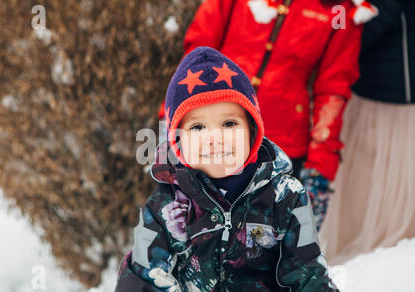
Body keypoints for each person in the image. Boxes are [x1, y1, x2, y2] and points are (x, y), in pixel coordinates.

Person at [114, 47, 344, 292]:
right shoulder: (164, 208)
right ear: (177, 140)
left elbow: (307, 274)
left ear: (252, 130)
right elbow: (142, 280)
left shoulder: (286, 197)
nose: (215, 138)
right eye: (198, 126)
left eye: (229, 123)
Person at [157, 0, 377, 230]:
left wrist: (319, 170)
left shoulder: (339, 10)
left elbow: (333, 88)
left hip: (280, 152)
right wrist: (171, 123)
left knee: (266, 249)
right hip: (210, 136)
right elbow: (195, 57)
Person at [318, 0, 415, 266]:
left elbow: (377, 14)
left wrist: (335, 38)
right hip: (363, 85)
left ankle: (382, 258)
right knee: (363, 174)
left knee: (390, 175)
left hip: (394, 92)